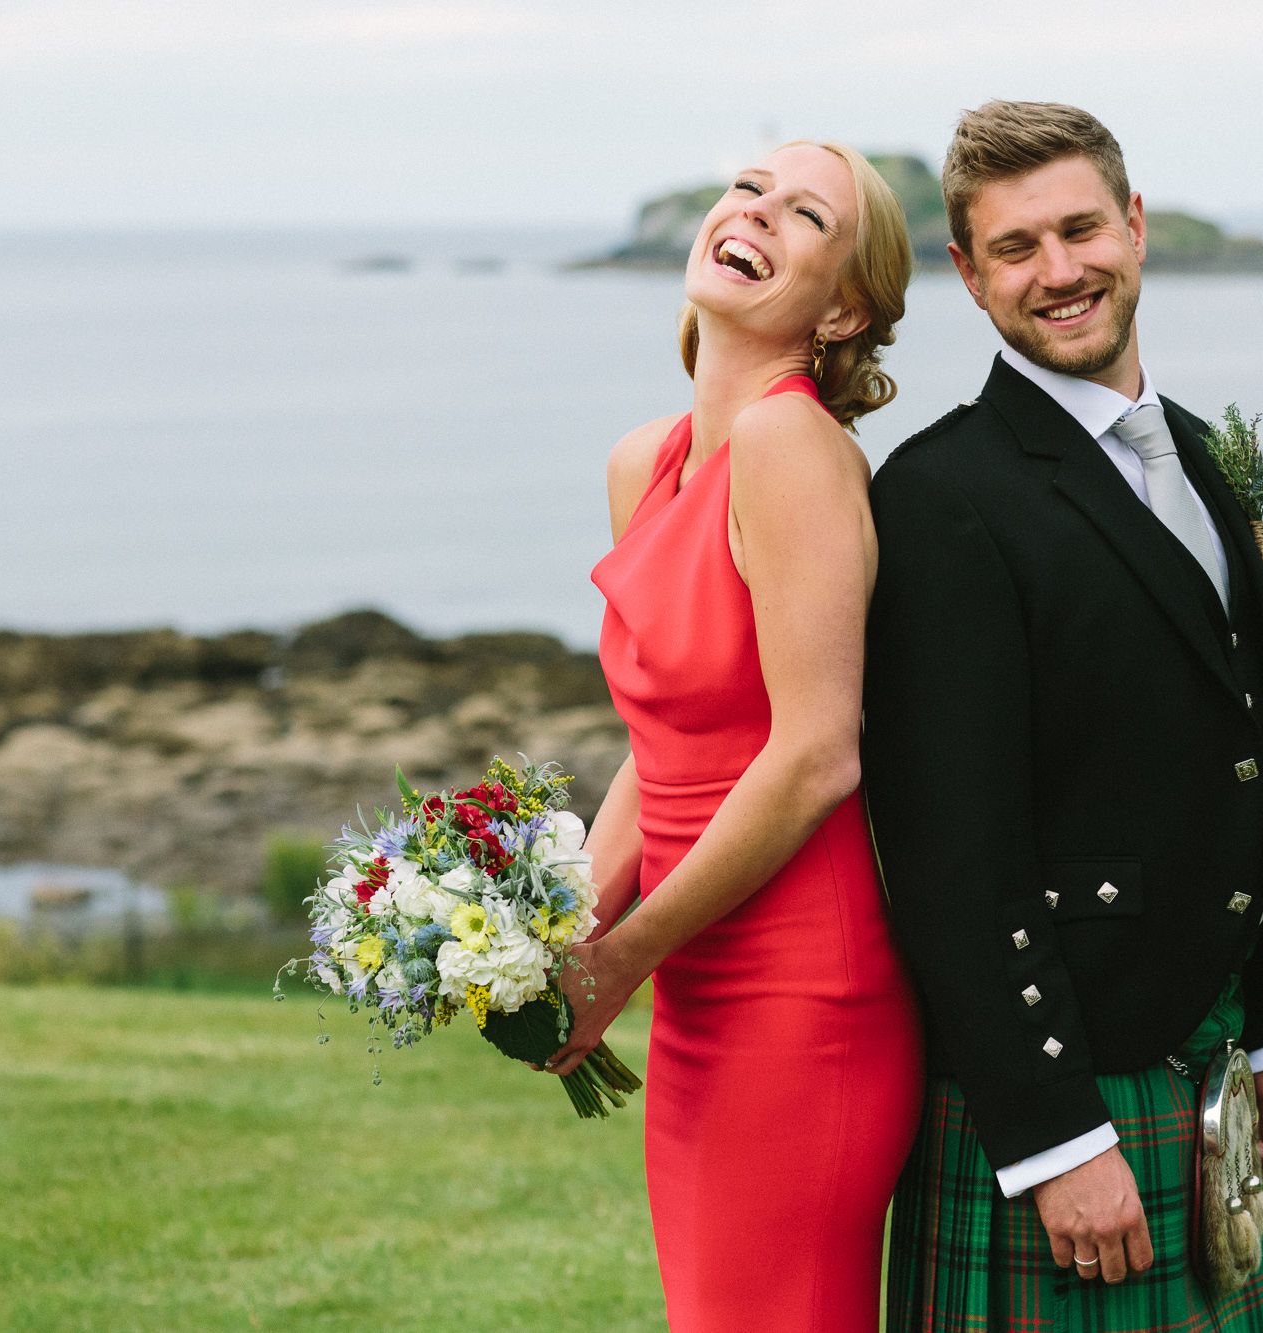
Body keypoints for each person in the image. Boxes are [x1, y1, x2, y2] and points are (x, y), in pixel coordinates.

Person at [864, 101, 1263, 1332]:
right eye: (1015, 248)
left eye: (1079, 229)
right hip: (1062, 1085)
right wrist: (1055, 1133)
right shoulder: (940, 496)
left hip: (1197, 1063)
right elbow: (949, 846)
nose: (1058, 272)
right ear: (965, 274)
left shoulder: (1194, 451)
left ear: (1134, 225)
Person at [540, 140, 924, 1332]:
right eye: (748, 186)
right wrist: (553, 938)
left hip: (806, 996)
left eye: (805, 213)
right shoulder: (640, 463)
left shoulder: (790, 446)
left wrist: (623, 954)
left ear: (843, 304)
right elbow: (660, 753)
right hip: (695, 983)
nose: (754, 210)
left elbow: (817, 754)